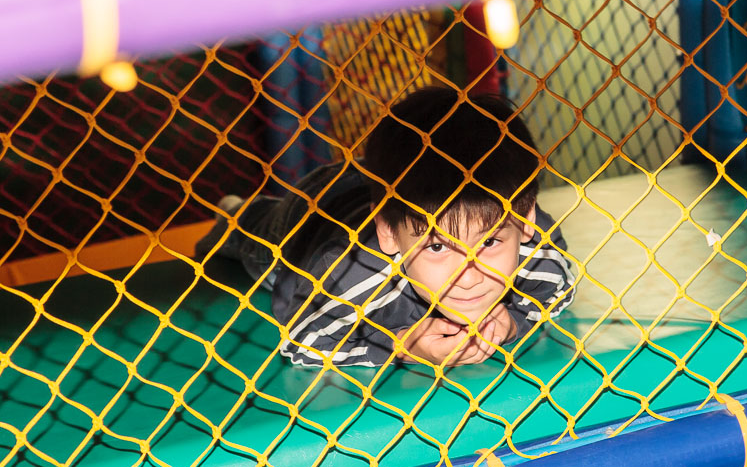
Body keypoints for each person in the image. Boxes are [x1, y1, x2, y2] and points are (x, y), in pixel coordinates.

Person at [197, 86, 575, 367]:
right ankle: (236, 210)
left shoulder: (523, 232)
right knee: (252, 236)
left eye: (489, 242)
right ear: (389, 234)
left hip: (393, 188)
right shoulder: (351, 271)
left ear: (525, 220)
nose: (469, 276)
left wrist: (512, 323)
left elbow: (559, 285)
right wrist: (404, 346)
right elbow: (303, 338)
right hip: (311, 213)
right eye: (438, 247)